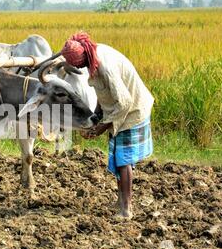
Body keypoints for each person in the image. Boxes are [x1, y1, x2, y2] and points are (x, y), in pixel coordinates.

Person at [61, 32, 154, 219]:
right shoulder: (93, 55)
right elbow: (104, 94)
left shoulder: (105, 67)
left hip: (132, 111)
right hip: (118, 112)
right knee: (118, 156)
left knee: (123, 159)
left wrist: (102, 127)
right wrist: (96, 116)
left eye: (77, 65)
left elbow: (125, 102)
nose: (77, 68)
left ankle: (126, 209)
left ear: (82, 60)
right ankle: (120, 201)